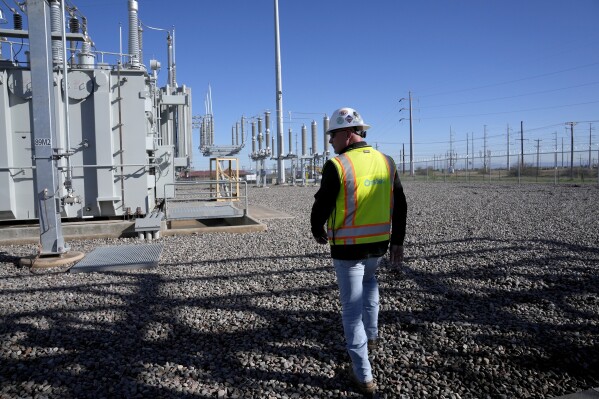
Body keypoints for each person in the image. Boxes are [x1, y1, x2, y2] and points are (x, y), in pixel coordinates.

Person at [310, 107, 407, 394]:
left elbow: (322, 204)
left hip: (348, 249)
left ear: (346, 134)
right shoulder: (386, 161)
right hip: (379, 244)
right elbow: (400, 204)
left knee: (351, 311)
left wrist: (317, 229)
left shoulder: (337, 165)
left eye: (331, 135)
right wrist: (397, 241)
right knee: (370, 282)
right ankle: (373, 336)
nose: (329, 141)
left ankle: (363, 375)